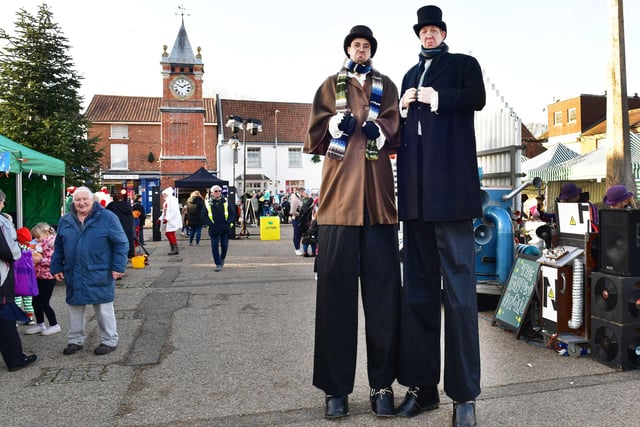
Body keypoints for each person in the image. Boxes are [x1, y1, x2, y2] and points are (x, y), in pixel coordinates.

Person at [304, 24, 401, 419]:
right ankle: (336, 389)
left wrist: (382, 128)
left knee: (383, 302)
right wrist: (331, 126)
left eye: (366, 45)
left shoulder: (387, 85)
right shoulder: (330, 86)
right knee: (335, 302)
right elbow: (314, 136)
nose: (360, 49)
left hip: (377, 205)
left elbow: (396, 127)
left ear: (371, 50)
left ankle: (381, 386)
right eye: (355, 45)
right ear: (348, 49)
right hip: (339, 206)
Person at [395, 6, 484, 426]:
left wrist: (439, 98)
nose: (428, 36)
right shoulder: (409, 76)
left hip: (451, 200)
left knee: (462, 298)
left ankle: (463, 397)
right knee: (418, 296)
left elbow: (477, 98)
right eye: (423, 31)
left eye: (434, 30)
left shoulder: (463, 65)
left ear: (443, 33)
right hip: (414, 204)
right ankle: (422, 387)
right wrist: (402, 103)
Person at [50, 186, 129, 356]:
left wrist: (118, 266)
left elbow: (121, 243)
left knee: (103, 307)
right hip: (73, 271)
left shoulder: (107, 217)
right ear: (73, 201)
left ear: (92, 200)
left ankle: (109, 340)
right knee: (74, 306)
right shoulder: (66, 220)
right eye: (77, 199)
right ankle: (75, 340)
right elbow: (59, 246)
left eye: (85, 199)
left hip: (99, 270)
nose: (81, 203)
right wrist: (56, 266)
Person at [0, 191, 38, 371]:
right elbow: (9, 250)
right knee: (6, 319)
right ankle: (15, 359)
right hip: (1, 278)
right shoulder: (2, 222)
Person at [25, 222, 61, 336]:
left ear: (45, 233)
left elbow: (53, 261)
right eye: (34, 237)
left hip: (48, 277)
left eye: (37, 236)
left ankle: (54, 324)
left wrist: (39, 260)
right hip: (38, 276)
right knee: (35, 301)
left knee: (44, 302)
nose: (36, 239)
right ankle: (40, 324)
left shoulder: (51, 243)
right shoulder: (38, 244)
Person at [201, 185, 236, 271]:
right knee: (214, 246)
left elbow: (232, 213)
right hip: (214, 228)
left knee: (224, 245)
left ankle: (222, 257)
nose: (218, 193)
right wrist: (210, 224)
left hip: (224, 227)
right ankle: (218, 263)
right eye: (216, 191)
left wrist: (228, 223)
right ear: (212, 193)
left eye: (219, 191)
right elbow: (203, 216)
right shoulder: (207, 202)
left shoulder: (226, 201)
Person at [106, 189, 135, 258]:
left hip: (117, 226)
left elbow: (106, 215)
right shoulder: (127, 205)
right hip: (128, 226)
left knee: (118, 241)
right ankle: (130, 253)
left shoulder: (111, 206)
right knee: (129, 239)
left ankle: (119, 254)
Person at [158, 187, 183, 255]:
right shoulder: (167, 201)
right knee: (170, 233)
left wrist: (167, 218)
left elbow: (174, 211)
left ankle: (174, 248)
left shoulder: (172, 200)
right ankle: (174, 248)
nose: (163, 196)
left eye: (164, 194)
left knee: (169, 233)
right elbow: (164, 211)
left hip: (173, 220)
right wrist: (160, 218)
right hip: (170, 220)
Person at [289, 187, 307, 256]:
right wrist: (301, 215)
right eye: (303, 192)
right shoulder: (295, 199)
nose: (304, 193)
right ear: (300, 191)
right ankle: (297, 249)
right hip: (296, 219)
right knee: (297, 234)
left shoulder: (300, 198)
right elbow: (292, 211)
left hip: (300, 219)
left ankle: (299, 248)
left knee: (300, 234)